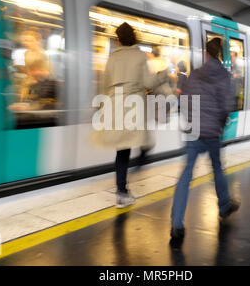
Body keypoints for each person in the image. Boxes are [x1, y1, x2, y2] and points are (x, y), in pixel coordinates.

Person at [89, 22, 169, 208]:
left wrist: (101, 108)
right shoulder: (139, 56)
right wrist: (162, 76)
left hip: (115, 106)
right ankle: (134, 171)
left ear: (118, 39)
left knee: (122, 151)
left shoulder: (113, 58)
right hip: (133, 106)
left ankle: (121, 192)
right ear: (133, 37)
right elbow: (149, 82)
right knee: (147, 144)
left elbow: (105, 84)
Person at [170, 37, 240, 240]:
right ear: (219, 54)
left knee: (186, 173)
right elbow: (227, 106)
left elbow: (185, 101)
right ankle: (224, 205)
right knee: (217, 167)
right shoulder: (225, 76)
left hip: (193, 131)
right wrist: (219, 124)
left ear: (205, 53)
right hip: (212, 133)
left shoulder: (195, 75)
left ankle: (176, 225)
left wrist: (192, 122)